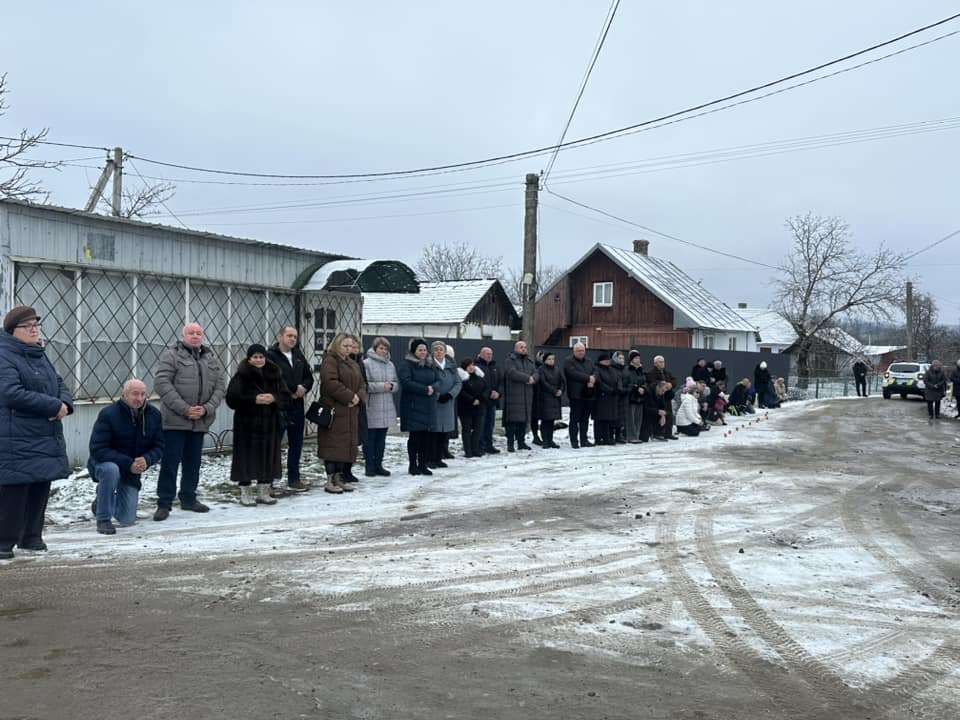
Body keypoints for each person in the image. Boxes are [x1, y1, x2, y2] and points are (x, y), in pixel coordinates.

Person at [0, 306, 73, 559]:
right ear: (12, 331)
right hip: (16, 437)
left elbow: (59, 382)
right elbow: (11, 393)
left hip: (43, 434)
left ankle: (31, 537)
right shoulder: (4, 355)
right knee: (15, 490)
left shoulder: (39, 354)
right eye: (27, 326)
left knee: (41, 485)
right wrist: (52, 406)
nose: (34, 330)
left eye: (36, 325)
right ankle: (4, 542)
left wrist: (65, 405)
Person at [153, 322, 226, 521]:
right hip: (175, 421)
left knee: (193, 463)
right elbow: (162, 383)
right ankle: (164, 503)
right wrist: (185, 409)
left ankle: (188, 498)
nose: (195, 336)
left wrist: (207, 408)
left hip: (200, 421)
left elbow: (220, 386)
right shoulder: (172, 356)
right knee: (170, 463)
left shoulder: (210, 358)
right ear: (183, 336)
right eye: (191, 333)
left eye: (198, 333)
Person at [88, 379, 163, 534]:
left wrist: (147, 459)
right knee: (111, 470)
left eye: (143, 394)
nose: (140, 398)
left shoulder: (154, 415)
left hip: (131, 471)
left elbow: (160, 446)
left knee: (127, 519)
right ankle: (103, 519)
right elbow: (98, 448)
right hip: (105, 464)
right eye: (135, 394)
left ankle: (102, 500)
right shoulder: (108, 414)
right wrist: (129, 463)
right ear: (124, 395)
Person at [225, 344, 290, 506]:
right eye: (255, 357)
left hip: (270, 423)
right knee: (246, 458)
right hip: (247, 424)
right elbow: (231, 399)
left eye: (261, 357)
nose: (259, 360)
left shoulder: (275, 374)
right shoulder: (241, 375)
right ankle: (245, 492)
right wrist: (254, 399)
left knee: (268, 456)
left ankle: (264, 490)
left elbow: (287, 397)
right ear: (249, 359)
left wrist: (274, 398)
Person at [316, 333, 366, 492]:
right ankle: (330, 479)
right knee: (332, 445)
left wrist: (358, 396)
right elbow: (330, 383)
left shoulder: (353, 363)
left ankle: (339, 477)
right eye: (345, 346)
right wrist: (350, 396)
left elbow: (362, 383)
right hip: (335, 410)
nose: (349, 349)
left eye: (351, 346)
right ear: (337, 345)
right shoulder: (330, 361)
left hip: (351, 411)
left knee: (345, 445)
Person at [266, 325, 313, 493]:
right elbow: (274, 378)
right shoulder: (271, 356)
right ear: (280, 337)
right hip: (279, 407)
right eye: (289, 335)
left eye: (295, 336)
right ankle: (268, 480)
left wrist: (303, 388)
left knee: (296, 444)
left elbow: (309, 376)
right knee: (274, 444)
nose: (293, 339)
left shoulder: (298, 355)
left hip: (297, 407)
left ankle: (294, 478)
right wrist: (293, 389)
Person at [398, 338, 439, 475]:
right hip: (413, 406)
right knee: (415, 438)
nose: (422, 352)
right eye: (420, 350)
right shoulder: (406, 364)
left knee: (426, 438)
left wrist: (433, 387)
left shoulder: (430, 364)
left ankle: (423, 464)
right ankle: (412, 465)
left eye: (424, 350)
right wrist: (425, 390)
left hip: (428, 406)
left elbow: (438, 379)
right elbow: (406, 382)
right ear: (414, 351)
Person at [362, 336, 399, 477]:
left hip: (387, 406)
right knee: (370, 438)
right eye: (381, 348)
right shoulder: (366, 363)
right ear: (374, 348)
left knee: (381, 438)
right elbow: (365, 385)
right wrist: (382, 386)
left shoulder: (390, 365)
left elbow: (396, 383)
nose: (383, 351)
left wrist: (392, 386)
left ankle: (379, 464)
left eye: (385, 348)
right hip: (372, 405)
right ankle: (369, 466)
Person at [427, 342, 461, 468]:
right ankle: (430, 458)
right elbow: (427, 382)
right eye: (436, 349)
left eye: (441, 349)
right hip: (434, 403)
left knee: (444, 432)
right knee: (434, 433)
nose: (439, 352)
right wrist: (437, 396)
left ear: (445, 352)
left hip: (448, 403)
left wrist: (450, 395)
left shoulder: (451, 366)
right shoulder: (429, 365)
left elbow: (458, 383)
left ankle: (439, 457)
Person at [502, 340, 537, 452]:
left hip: (527, 396)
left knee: (523, 421)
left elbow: (536, 372)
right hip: (514, 396)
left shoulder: (529, 362)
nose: (524, 349)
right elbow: (511, 373)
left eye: (525, 347)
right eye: (521, 347)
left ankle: (521, 443)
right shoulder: (510, 360)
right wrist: (527, 378)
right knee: (512, 421)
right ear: (516, 348)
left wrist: (534, 378)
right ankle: (510, 444)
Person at [563, 342, 596, 448]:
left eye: (582, 350)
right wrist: (588, 378)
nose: (581, 353)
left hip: (588, 394)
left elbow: (595, 372)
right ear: (574, 351)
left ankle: (584, 439)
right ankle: (574, 441)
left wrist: (593, 379)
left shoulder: (589, 361)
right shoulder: (569, 361)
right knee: (574, 419)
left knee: (585, 418)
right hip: (575, 395)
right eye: (578, 351)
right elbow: (572, 374)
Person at [457, 357, 487, 457]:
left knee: (478, 429)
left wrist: (480, 399)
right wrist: (472, 400)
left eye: (472, 365)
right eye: (468, 365)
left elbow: (486, 389)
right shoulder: (462, 378)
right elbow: (461, 392)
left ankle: (475, 449)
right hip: (466, 408)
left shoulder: (479, 377)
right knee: (467, 429)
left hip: (479, 407)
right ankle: (468, 450)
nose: (471, 367)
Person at [535, 351, 565, 449]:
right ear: (544, 360)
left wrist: (560, 390)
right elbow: (543, 382)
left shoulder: (557, 369)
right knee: (545, 420)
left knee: (551, 421)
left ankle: (550, 439)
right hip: (545, 398)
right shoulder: (541, 370)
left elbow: (562, 381)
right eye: (549, 359)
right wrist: (554, 391)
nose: (551, 361)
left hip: (555, 399)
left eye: (553, 359)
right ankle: (545, 440)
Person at [475, 347, 502, 454]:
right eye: (487, 354)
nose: (489, 356)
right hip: (482, 401)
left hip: (493, 401)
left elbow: (501, 382)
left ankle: (489, 445)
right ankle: (480, 446)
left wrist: (498, 392)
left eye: (491, 354)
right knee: (481, 424)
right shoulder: (477, 367)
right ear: (481, 354)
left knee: (490, 424)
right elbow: (477, 384)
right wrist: (489, 393)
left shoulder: (495, 367)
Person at [593, 352, 622, 445]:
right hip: (602, 397)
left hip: (612, 397)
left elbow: (618, 379)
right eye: (605, 360)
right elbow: (599, 382)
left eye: (608, 360)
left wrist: (618, 389)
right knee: (600, 419)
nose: (607, 362)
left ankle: (608, 437)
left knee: (609, 419)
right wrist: (609, 390)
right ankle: (599, 438)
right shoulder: (596, 369)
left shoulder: (612, 370)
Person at [646, 355, 678, 436]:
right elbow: (653, 383)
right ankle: (659, 433)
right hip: (659, 397)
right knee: (660, 414)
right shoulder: (651, 373)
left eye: (663, 361)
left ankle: (668, 433)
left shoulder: (667, 372)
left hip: (667, 397)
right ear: (655, 363)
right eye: (660, 362)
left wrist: (670, 384)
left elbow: (674, 380)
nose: (662, 363)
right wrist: (663, 385)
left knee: (669, 415)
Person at [623, 350, 646, 443]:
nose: (638, 359)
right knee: (630, 418)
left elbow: (644, 381)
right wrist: (636, 388)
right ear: (631, 360)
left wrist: (644, 388)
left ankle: (636, 435)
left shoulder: (641, 370)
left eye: (638, 358)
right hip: (631, 397)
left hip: (640, 397)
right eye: (636, 358)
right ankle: (631, 436)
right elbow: (626, 382)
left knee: (638, 417)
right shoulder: (627, 370)